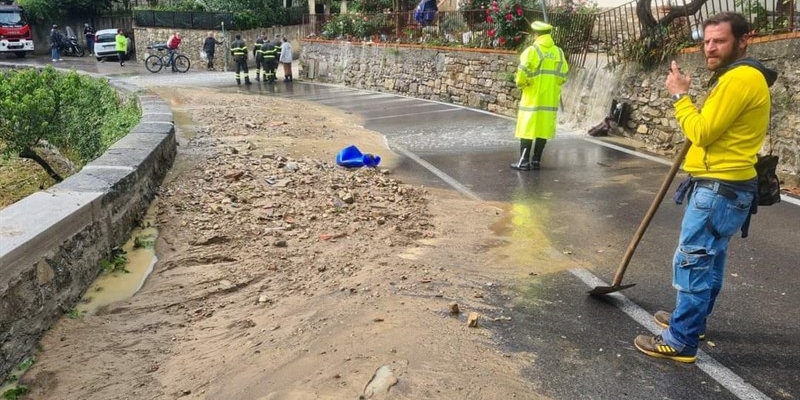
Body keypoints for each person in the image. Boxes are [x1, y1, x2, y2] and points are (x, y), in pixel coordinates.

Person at [633, 11, 778, 364]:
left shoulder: (740, 79)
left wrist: (680, 97)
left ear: (744, 40)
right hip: (727, 187)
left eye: (720, 41)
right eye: (707, 41)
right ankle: (691, 323)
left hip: (720, 189)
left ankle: (681, 340)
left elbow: (700, 132)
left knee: (693, 261)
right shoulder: (734, 76)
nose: (710, 48)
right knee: (709, 261)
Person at [510, 21, 568, 171]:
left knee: (527, 129)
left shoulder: (532, 51)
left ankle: (523, 162)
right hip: (549, 100)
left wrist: (523, 84)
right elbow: (563, 77)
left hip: (532, 98)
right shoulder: (559, 53)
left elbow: (522, 74)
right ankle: (536, 161)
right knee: (543, 129)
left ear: (536, 34)